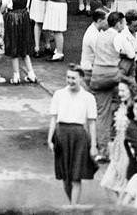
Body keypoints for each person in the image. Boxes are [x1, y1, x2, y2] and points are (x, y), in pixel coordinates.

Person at [48, 65, 98, 206]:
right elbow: (53, 118)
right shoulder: (59, 94)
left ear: (81, 78)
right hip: (62, 135)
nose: (70, 81)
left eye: (73, 78)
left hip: (79, 136)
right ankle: (73, 206)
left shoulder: (88, 97)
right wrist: (49, 138)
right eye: (68, 77)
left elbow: (92, 122)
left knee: (76, 176)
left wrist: (93, 145)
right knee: (65, 176)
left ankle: (73, 208)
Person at [89, 11, 126, 162]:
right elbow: (127, 53)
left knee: (102, 114)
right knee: (126, 103)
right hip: (113, 75)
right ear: (118, 24)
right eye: (122, 23)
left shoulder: (100, 35)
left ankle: (103, 150)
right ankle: (120, 145)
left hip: (98, 75)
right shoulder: (117, 36)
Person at [99, 78, 136, 198]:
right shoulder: (122, 105)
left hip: (129, 146)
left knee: (125, 180)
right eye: (119, 91)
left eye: (123, 91)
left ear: (130, 90)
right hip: (118, 145)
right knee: (111, 182)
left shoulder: (136, 106)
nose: (120, 94)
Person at [0, 0, 37, 84]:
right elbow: (27, 4)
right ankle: (31, 74)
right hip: (24, 17)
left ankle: (16, 76)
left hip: (12, 19)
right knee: (24, 47)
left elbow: (2, 9)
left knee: (14, 48)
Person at [79, 9, 108, 84]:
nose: (108, 23)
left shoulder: (98, 30)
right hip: (89, 72)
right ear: (99, 21)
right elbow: (102, 55)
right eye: (106, 20)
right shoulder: (92, 35)